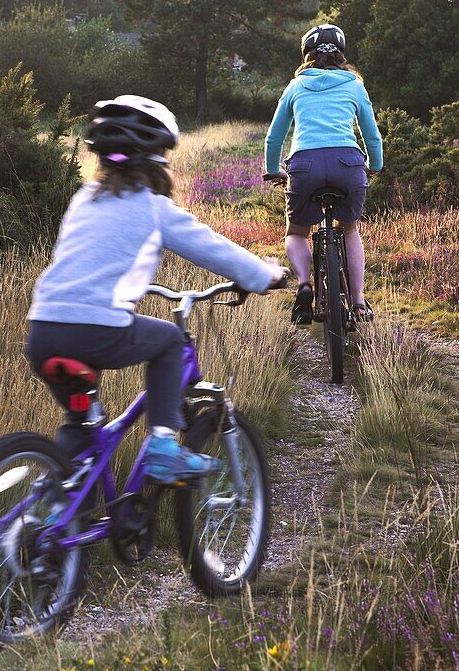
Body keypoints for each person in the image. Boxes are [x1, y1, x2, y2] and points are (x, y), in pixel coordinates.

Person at [26, 95, 289, 485]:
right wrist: (262, 274)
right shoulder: (153, 208)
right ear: (159, 158)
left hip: (43, 332)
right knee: (168, 341)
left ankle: (52, 512)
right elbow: (214, 248)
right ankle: (164, 447)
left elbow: (88, 260)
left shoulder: (82, 200)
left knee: (81, 425)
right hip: (96, 331)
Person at [263, 24, 383, 325]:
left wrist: (272, 170)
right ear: (342, 54)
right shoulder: (355, 85)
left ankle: (304, 284)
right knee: (350, 228)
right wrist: (376, 165)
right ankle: (357, 303)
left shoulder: (296, 86)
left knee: (296, 232)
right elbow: (372, 136)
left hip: (305, 166)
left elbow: (274, 137)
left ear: (307, 55)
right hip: (347, 164)